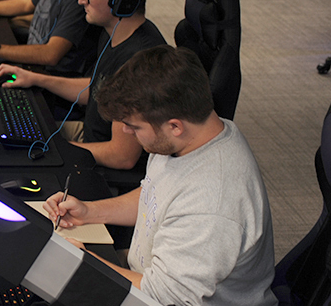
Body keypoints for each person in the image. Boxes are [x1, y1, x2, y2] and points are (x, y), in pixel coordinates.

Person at [43, 45, 277, 306]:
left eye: (134, 127)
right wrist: (90, 211)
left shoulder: (213, 203)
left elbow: (163, 296)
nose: (128, 133)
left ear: (174, 126)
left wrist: (81, 262)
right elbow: (155, 195)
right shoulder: (190, 137)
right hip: (149, 277)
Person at [0, 0, 166, 170]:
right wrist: (36, 79)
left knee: (12, 160)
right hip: (90, 135)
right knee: (5, 133)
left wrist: (58, 147)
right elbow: (95, 88)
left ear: (123, 1)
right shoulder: (113, 31)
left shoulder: (140, 62)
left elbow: (122, 155)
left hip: (102, 165)